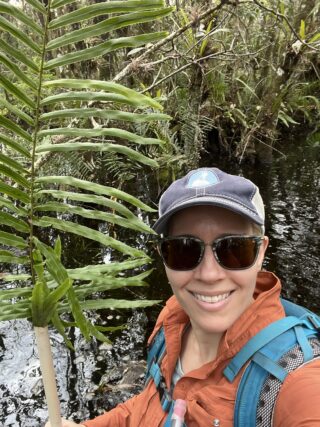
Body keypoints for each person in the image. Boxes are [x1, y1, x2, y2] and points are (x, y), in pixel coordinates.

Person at [45, 167, 320, 427]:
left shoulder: (294, 382)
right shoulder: (173, 320)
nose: (209, 274)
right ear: (162, 256)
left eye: (234, 248)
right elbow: (148, 407)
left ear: (261, 253)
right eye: (184, 249)